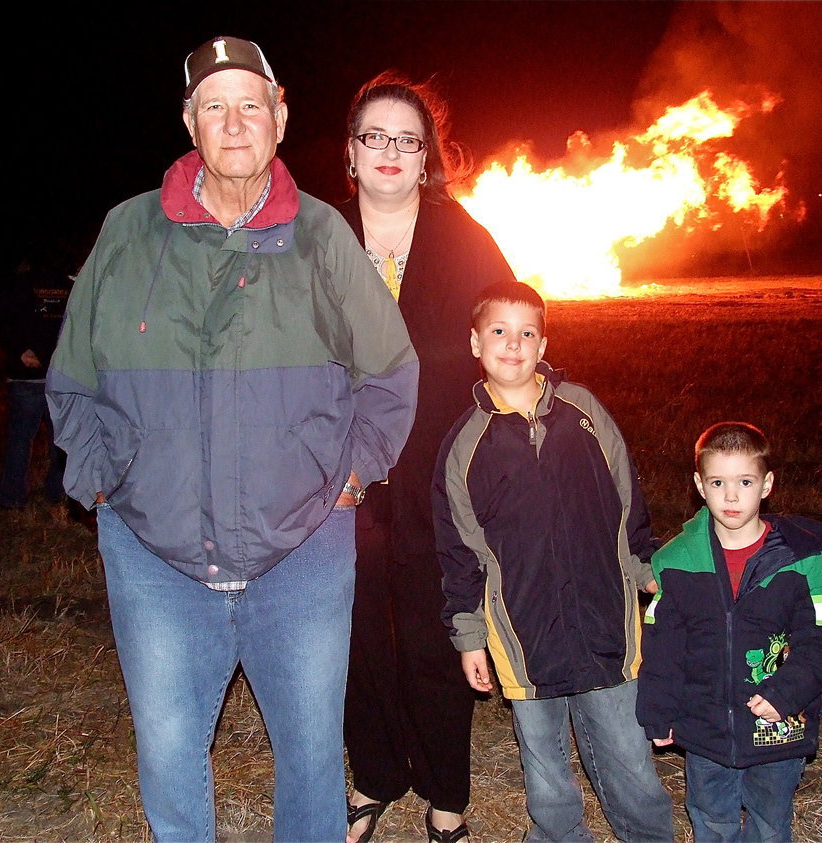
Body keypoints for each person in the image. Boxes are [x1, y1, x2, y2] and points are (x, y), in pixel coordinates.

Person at [45, 36, 418, 843]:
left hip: (303, 555)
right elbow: (71, 379)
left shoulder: (322, 236)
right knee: (172, 753)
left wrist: (349, 478)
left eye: (252, 102)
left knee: (314, 756)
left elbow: (390, 374)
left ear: (281, 115)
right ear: (190, 122)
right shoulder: (128, 232)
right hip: (156, 558)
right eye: (214, 105)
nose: (235, 120)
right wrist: (103, 484)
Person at [337, 71, 517, 843]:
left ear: (426, 158)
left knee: (435, 630)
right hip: (337, 474)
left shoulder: (463, 239)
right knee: (351, 632)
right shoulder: (318, 236)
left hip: (438, 474)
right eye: (374, 136)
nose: (389, 152)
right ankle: (374, 773)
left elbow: (512, 339)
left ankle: (446, 791)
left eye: (406, 140)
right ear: (350, 153)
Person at [433, 280, 673, 843]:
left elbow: (627, 496)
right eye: (498, 331)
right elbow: (459, 549)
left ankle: (647, 834)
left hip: (603, 615)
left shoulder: (583, 411)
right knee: (544, 764)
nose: (512, 344)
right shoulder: (465, 445)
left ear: (543, 345)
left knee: (627, 751)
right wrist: (468, 635)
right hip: (524, 629)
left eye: (527, 333)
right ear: (474, 343)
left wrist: (645, 570)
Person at [636, 421, 822, 843]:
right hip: (706, 728)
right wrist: (657, 711)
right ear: (699, 484)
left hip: (777, 725)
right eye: (718, 481)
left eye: (745, 481)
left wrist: (785, 693)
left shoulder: (804, 562)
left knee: (770, 823)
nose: (731, 496)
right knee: (711, 819)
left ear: (767, 484)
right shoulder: (676, 561)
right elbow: (663, 645)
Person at [0, 240, 71, 510]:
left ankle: (12, 496)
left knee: (20, 438)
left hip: (27, 374)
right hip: (58, 374)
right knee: (60, 440)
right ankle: (58, 491)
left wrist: (18, 351)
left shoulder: (17, 285)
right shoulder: (70, 286)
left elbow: (0, 322)